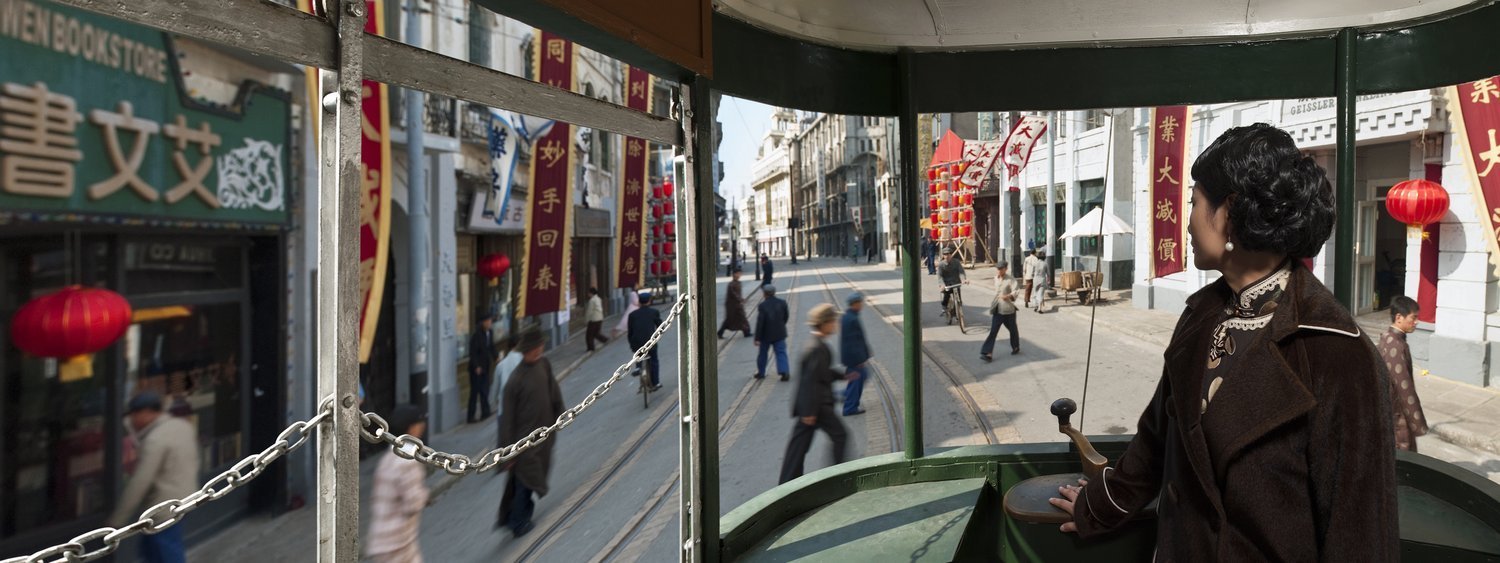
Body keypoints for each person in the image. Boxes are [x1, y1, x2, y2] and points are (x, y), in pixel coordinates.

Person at [1049, 123, 1397, 561]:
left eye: (1194, 202)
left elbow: (1360, 533)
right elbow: (1156, 440)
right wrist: (1100, 504)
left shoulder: (1337, 352)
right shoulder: (1202, 313)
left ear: (1228, 212)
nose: (1188, 221)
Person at [109, 392, 199, 563]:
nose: (133, 419)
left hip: (163, 508)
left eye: (135, 414)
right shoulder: (182, 426)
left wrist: (118, 519)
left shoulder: (155, 440)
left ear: (146, 413)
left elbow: (140, 481)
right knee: (153, 549)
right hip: (186, 498)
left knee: (165, 553)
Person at [498, 331, 565, 537]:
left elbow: (553, 391)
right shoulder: (514, 382)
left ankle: (518, 516)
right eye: (534, 349)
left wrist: (561, 414)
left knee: (529, 479)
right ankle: (518, 522)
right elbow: (506, 420)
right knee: (524, 480)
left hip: (544, 435)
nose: (538, 351)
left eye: (540, 347)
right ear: (525, 351)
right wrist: (508, 452)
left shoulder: (543, 364)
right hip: (523, 442)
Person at [779, 304, 850, 484]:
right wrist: (809, 412)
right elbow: (809, 381)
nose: (835, 325)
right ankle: (837, 478)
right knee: (840, 435)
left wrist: (842, 374)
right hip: (817, 406)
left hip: (813, 406)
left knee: (798, 446)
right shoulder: (816, 348)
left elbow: (821, 372)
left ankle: (788, 483)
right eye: (833, 321)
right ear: (824, 323)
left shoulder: (817, 346)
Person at [366, 404, 430, 563]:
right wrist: (425, 494)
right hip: (399, 541)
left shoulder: (388, 457)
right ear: (412, 429)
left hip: (381, 538)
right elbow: (413, 503)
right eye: (420, 423)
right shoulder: (408, 461)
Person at [1383, 296, 1428, 452]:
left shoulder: (1386, 338)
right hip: (1398, 415)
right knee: (1402, 457)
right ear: (1399, 318)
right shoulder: (1396, 345)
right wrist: (1418, 423)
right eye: (1413, 317)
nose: (1416, 321)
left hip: (1388, 410)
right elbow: (1405, 388)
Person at [980, 261, 1021, 361]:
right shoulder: (996, 278)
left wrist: (1009, 296)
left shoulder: (1010, 280)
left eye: (1001, 269)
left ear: (1005, 269)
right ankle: (988, 353)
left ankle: (1015, 346)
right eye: (997, 269)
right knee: (993, 331)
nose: (999, 270)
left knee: (1013, 330)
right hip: (998, 309)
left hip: (1009, 310)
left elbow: (1016, 290)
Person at [839, 293, 871, 416]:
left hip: (852, 357)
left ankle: (845, 395)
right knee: (857, 379)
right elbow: (853, 342)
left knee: (862, 376)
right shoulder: (851, 319)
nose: (862, 305)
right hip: (854, 358)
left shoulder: (849, 316)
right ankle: (849, 407)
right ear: (855, 304)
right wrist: (860, 359)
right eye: (860, 303)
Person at [753, 284, 792, 381]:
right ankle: (784, 371)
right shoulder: (782, 303)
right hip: (779, 333)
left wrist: (757, 338)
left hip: (766, 335)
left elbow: (760, 323)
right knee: (781, 352)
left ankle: (761, 372)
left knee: (763, 354)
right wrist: (781, 325)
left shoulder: (762, 306)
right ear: (774, 292)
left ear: (764, 294)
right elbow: (786, 317)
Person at [627, 292, 665, 390]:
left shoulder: (632, 315)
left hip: (637, 343)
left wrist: (631, 344)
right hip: (650, 342)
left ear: (639, 302)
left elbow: (630, 332)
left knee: (638, 353)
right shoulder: (654, 312)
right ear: (649, 301)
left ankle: (638, 367)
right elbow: (660, 326)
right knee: (654, 361)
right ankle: (656, 383)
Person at [468, 311, 496, 422]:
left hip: (485, 366)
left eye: (490, 321)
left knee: (485, 390)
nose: (490, 323)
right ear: (483, 323)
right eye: (488, 321)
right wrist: (476, 366)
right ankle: (470, 416)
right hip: (476, 369)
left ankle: (485, 412)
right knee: (475, 392)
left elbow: (491, 347)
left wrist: (496, 357)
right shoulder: (477, 335)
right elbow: (473, 352)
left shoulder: (490, 333)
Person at [491, 334, 523, 421]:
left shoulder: (500, 366)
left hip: (504, 410)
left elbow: (494, 389)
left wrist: (493, 403)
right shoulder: (524, 363)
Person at [718, 266, 753, 339]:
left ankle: (746, 332)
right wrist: (741, 299)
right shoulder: (731, 284)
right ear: (734, 274)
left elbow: (737, 294)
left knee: (741, 318)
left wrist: (740, 299)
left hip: (737, 305)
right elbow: (734, 294)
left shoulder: (737, 283)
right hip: (732, 306)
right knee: (732, 319)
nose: (740, 275)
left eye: (740, 273)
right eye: (738, 273)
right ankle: (720, 332)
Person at [938, 247, 968, 313]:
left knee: (958, 299)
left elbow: (961, 272)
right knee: (947, 295)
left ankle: (958, 310)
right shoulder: (941, 265)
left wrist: (963, 280)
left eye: (948, 254)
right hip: (947, 284)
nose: (947, 256)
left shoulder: (956, 262)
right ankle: (944, 306)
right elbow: (940, 276)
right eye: (945, 254)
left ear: (951, 255)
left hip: (956, 282)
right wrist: (942, 285)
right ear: (943, 255)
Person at [584, 287, 609, 352]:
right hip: (600, 318)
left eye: (588, 293)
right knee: (596, 333)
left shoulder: (592, 300)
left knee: (589, 335)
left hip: (593, 319)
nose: (588, 294)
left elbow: (589, 311)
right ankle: (605, 339)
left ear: (591, 293)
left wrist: (586, 320)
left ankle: (591, 348)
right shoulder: (598, 299)